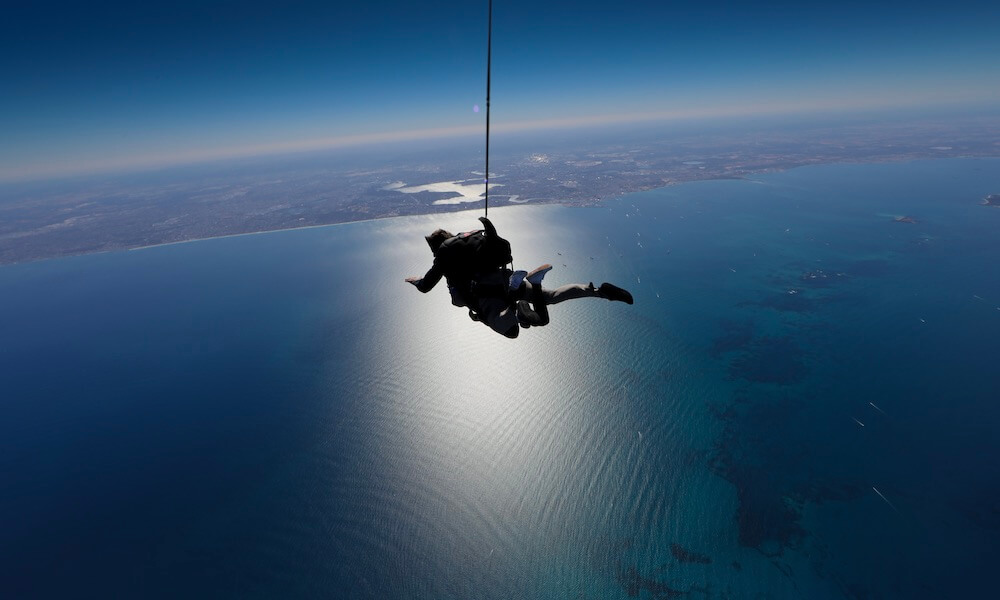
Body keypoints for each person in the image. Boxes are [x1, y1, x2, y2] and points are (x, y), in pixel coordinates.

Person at [406, 217, 634, 338]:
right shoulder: (470, 241)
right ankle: (598, 291)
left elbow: (426, 286)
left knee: (511, 331)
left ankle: (516, 304)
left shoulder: (444, 258)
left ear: (436, 248)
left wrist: (416, 280)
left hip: (487, 296)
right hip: (504, 277)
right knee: (551, 296)